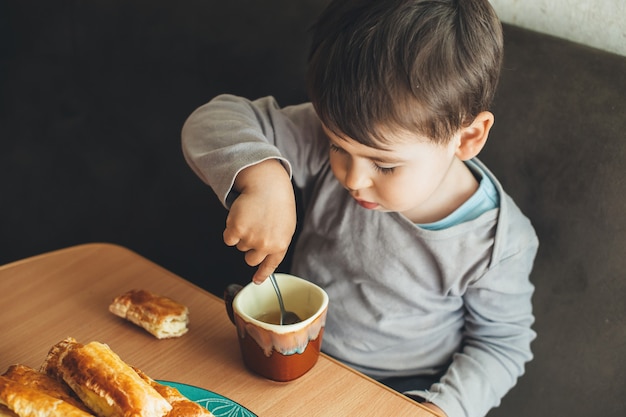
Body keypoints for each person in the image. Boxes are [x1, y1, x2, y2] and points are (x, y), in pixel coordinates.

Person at [181, 1, 538, 416]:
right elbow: (211, 121)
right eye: (336, 146)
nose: (351, 177)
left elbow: (501, 345)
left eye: (384, 164)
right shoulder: (343, 134)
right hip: (293, 363)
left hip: (396, 396)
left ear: (467, 138)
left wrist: (438, 409)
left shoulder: (497, 243)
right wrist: (264, 177)